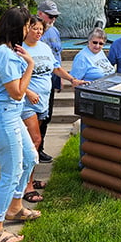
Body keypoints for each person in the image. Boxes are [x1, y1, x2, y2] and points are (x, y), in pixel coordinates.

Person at [0, 7, 40, 242]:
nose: (29, 29)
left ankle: (15, 208)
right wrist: (30, 66)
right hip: (3, 116)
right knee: (11, 172)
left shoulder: (0, 49)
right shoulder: (4, 54)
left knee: (30, 158)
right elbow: (16, 94)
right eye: (27, 25)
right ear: (17, 27)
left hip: (7, 115)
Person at [20, 15, 84, 201]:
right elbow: (13, 77)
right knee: (34, 141)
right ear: (26, 29)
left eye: (41, 29)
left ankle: (29, 178)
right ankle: (26, 186)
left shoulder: (45, 48)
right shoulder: (20, 49)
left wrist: (72, 79)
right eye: (34, 28)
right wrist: (28, 92)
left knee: (35, 144)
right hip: (26, 102)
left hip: (43, 101)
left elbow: (55, 68)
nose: (38, 32)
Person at [71, 27, 116, 167]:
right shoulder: (82, 57)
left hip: (104, 98)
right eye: (94, 42)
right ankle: (84, 162)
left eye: (101, 43)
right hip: (90, 100)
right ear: (88, 42)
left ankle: (98, 161)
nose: (97, 46)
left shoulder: (100, 53)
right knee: (88, 132)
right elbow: (74, 81)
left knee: (100, 132)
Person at [37, 0, 65, 163]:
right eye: (50, 15)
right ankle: (35, 148)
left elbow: (57, 54)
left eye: (55, 16)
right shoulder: (32, 31)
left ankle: (40, 148)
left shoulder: (54, 31)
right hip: (38, 81)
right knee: (37, 116)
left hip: (52, 78)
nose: (53, 19)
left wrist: (60, 77)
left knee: (47, 115)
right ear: (40, 14)